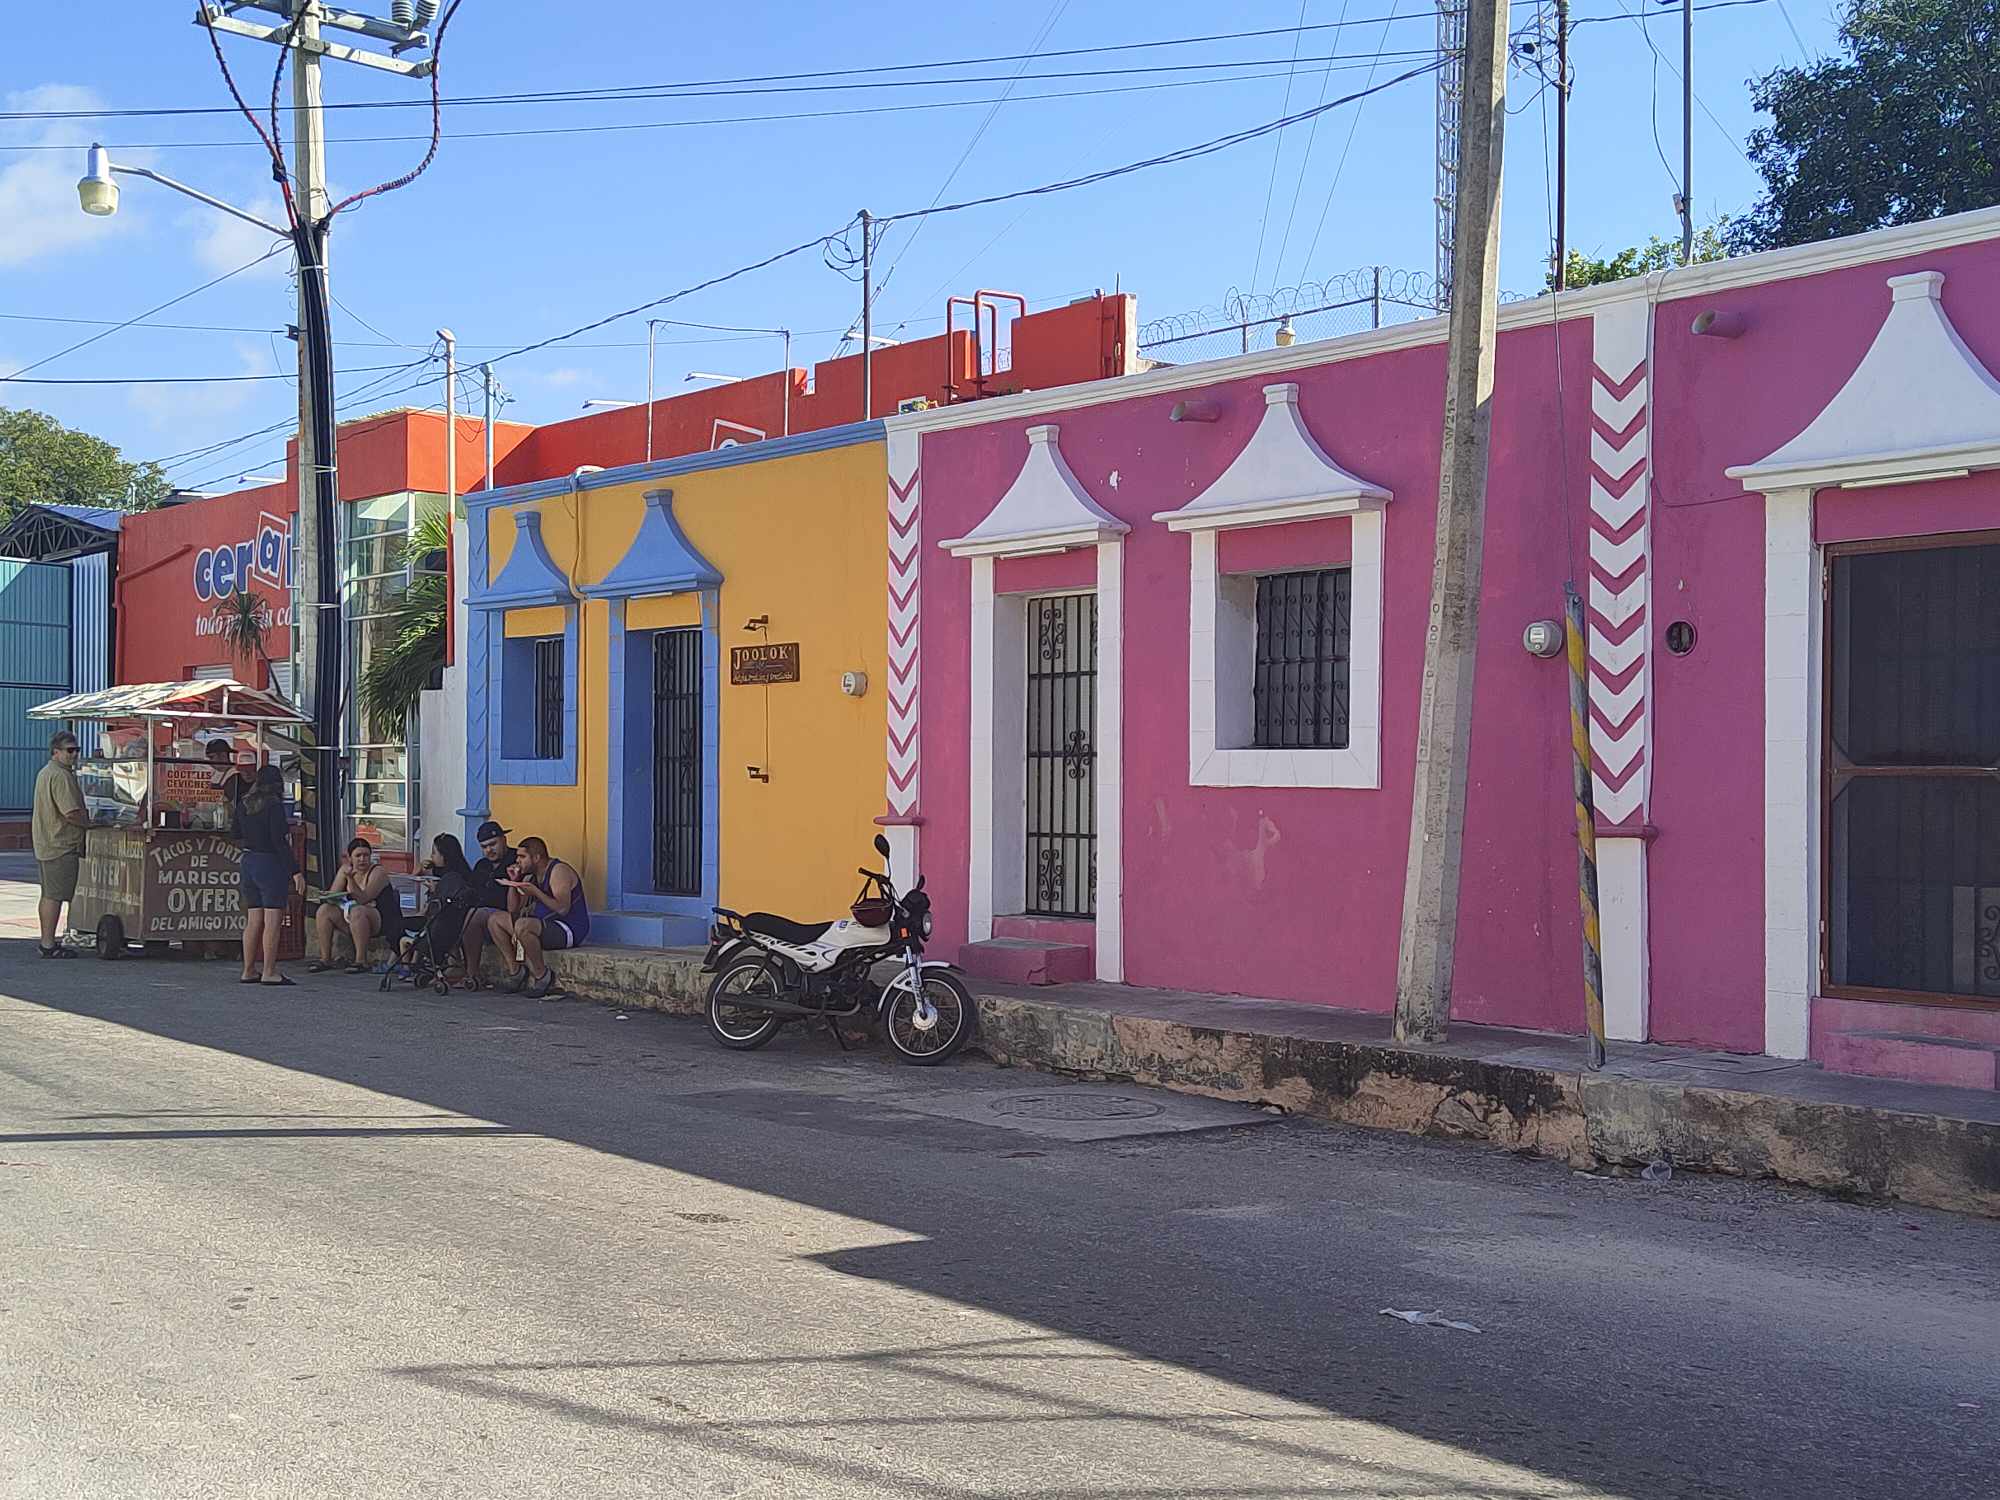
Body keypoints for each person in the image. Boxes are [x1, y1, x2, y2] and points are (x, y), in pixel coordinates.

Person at [490, 836, 590, 999]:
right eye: (517, 857)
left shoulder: (559, 871)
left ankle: (542, 975)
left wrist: (536, 892)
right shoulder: (530, 877)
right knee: (495, 920)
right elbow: (513, 909)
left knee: (523, 926)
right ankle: (516, 971)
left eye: (522, 857)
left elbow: (563, 908)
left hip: (568, 929)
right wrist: (514, 883)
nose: (518, 861)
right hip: (542, 925)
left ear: (536, 858)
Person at [233, 764, 302, 986]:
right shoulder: (274, 806)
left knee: (253, 919)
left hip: (248, 861)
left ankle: (248, 969)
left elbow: (235, 832)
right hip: (270, 863)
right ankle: (269, 971)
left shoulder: (243, 803)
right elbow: (279, 841)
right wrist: (295, 871)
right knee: (273, 920)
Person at [32, 730, 91, 959]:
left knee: (49, 893)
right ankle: (48, 943)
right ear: (56, 752)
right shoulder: (61, 776)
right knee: (55, 895)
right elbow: (71, 813)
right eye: (70, 751)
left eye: (76, 750)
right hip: (61, 843)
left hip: (48, 842)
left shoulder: (47, 772)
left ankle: (48, 941)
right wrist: (89, 823)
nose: (74, 755)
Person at [310, 838, 403, 974]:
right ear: (350, 858)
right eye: (358, 856)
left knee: (357, 910)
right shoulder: (345, 870)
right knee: (324, 911)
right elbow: (333, 896)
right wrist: (329, 896)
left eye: (366, 855)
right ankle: (325, 958)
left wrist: (350, 880)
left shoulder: (378, 872)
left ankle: (361, 960)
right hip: (351, 917)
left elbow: (362, 898)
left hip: (379, 919)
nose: (362, 859)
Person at [457, 821, 517, 990]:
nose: (489, 850)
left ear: (504, 840)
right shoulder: (481, 866)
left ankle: (472, 974)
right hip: (481, 916)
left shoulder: (516, 860)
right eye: (484, 847)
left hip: (507, 915)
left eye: (493, 844)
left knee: (474, 915)